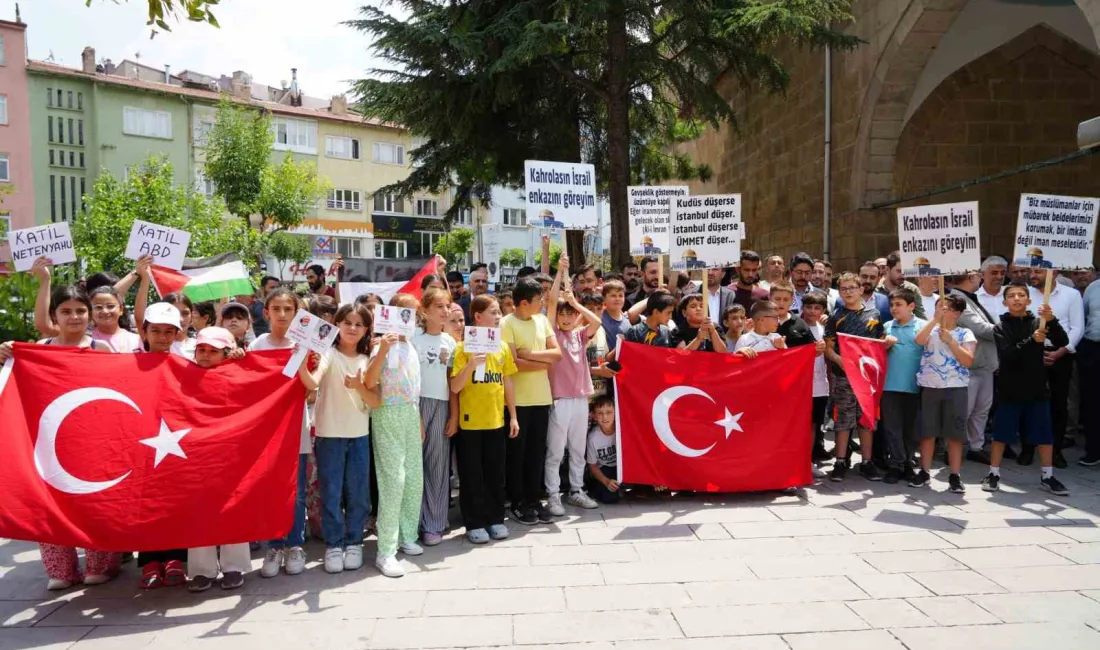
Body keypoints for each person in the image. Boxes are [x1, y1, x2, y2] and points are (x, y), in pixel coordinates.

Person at [0, 285, 120, 592]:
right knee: (49, 499)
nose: (75, 317)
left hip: (93, 440)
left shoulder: (101, 349)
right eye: (66, 311)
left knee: (94, 500)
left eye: (80, 310)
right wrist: (7, 356)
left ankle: (100, 563)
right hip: (51, 440)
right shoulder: (39, 348)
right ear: (54, 315)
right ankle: (60, 568)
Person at [299, 303, 379, 575]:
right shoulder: (328, 353)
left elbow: (375, 400)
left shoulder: (369, 358)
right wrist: (299, 359)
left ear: (367, 329)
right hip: (329, 435)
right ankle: (334, 544)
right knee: (331, 494)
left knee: (358, 494)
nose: (353, 328)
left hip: (359, 435)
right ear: (337, 324)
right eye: (347, 322)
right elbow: (312, 382)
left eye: (359, 324)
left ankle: (354, 540)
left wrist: (358, 386)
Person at [253, 288, 316, 579]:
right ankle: (274, 545)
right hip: (266, 432)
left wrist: (303, 361)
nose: (281, 314)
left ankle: (295, 545)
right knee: (270, 489)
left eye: (287, 309)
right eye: (275, 309)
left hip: (296, 428)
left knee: (297, 491)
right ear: (266, 312)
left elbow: (311, 390)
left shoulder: (304, 346)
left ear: (296, 313)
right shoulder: (256, 346)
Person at [983, 284, 1069, 495]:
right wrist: (1033, 340)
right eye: (1011, 296)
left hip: (1037, 387)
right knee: (1002, 434)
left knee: (1044, 435)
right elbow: (1009, 354)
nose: (1017, 299)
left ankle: (1047, 476)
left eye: (1021, 295)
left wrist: (1052, 320)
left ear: (1029, 301)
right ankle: (993, 473)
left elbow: (1062, 341)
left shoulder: (1038, 322)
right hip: (1009, 389)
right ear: (1005, 302)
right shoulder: (1000, 327)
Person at [450, 295, 520, 544]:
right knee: (471, 476)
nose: (499, 316)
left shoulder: (501, 347)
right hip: (470, 424)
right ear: (477, 317)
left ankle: (495, 519)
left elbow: (508, 381)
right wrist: (470, 365)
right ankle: (474, 522)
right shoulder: (461, 348)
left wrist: (512, 415)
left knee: (494, 474)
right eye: (493, 312)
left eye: (499, 311)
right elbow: (455, 386)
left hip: (495, 421)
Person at [187, 327, 252, 592]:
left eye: (213, 351)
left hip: (230, 453)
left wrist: (242, 362)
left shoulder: (238, 373)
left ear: (226, 353)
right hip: (196, 454)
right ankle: (201, 570)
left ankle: (233, 566)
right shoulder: (182, 375)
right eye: (201, 349)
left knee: (232, 505)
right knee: (197, 509)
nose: (205, 355)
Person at [365, 294, 424, 578]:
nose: (409, 319)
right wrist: (382, 350)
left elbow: (415, 387)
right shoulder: (378, 344)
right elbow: (369, 380)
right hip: (387, 412)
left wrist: (420, 420)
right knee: (393, 481)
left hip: (411, 414)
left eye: (413, 314)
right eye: (404, 313)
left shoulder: (411, 345)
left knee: (413, 477)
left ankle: (407, 535)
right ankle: (385, 551)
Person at [501, 277, 561, 525]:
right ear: (524, 302)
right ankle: (518, 502)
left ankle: (535, 500)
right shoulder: (506, 324)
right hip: (517, 401)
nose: (543, 303)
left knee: (537, 453)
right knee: (517, 455)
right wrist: (540, 360)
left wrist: (529, 355)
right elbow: (512, 364)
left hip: (541, 397)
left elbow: (557, 354)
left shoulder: (542, 320)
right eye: (539, 300)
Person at [545, 259, 602, 514]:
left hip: (581, 399)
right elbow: (550, 304)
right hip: (560, 400)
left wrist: (576, 303)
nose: (566, 318)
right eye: (562, 313)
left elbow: (596, 322)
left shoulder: (580, 334)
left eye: (570, 314)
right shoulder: (552, 334)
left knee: (578, 449)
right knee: (556, 451)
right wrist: (559, 272)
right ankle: (553, 494)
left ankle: (576, 491)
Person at [911, 295, 977, 493]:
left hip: (955, 388)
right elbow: (918, 340)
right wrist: (934, 320)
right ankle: (924, 471)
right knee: (927, 432)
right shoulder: (930, 331)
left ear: (957, 313)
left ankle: (955, 475)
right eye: (938, 307)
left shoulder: (965, 333)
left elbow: (968, 360)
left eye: (946, 308)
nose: (941, 311)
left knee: (954, 434)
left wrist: (950, 341)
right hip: (931, 387)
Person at [825, 272, 885, 482]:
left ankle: (866, 462)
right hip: (843, 378)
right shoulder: (835, 317)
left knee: (867, 419)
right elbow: (828, 349)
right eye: (843, 289)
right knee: (843, 420)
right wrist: (841, 361)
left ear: (861, 290)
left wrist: (888, 343)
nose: (848, 292)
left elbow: (879, 344)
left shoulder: (875, 315)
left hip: (868, 379)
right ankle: (840, 461)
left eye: (852, 288)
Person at [413, 288, 457, 547]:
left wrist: (453, 415)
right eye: (439, 306)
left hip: (441, 405)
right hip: (415, 405)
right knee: (414, 466)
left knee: (438, 467)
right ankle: (413, 521)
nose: (445, 311)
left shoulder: (450, 342)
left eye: (447, 306)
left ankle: (435, 523)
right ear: (424, 310)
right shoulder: (413, 338)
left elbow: (452, 382)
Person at [1028, 268, 1085, 467]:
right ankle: (1028, 448)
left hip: (1061, 356)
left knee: (1059, 404)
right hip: (1032, 355)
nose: (1032, 275)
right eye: (1030, 271)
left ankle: (1055, 450)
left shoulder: (1071, 295)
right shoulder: (1025, 294)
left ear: (1054, 272)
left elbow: (1077, 327)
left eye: (1037, 271)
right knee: (1030, 402)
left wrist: (1062, 351)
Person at [946, 272, 999, 465]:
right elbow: (982, 329)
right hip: (969, 365)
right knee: (963, 410)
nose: (980, 278)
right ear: (970, 277)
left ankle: (976, 446)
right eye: (977, 275)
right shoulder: (957, 300)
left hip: (984, 364)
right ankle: (951, 447)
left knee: (981, 409)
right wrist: (1010, 328)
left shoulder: (969, 299)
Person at [881, 288, 926, 484]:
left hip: (915, 386)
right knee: (892, 428)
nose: (893, 308)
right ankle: (896, 464)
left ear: (912, 306)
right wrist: (883, 346)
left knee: (911, 429)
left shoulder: (923, 327)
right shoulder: (886, 327)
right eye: (891, 305)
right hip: (889, 386)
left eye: (898, 304)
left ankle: (907, 462)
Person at [800, 292, 832, 462]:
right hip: (799, 384)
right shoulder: (796, 326)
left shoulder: (824, 329)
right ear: (802, 308)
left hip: (819, 385)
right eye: (808, 307)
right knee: (800, 424)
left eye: (817, 308)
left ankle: (808, 460)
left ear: (823, 310)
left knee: (814, 423)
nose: (812, 311)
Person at [1078, 277, 1100, 466]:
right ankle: (1093, 450)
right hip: (1094, 349)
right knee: (1093, 402)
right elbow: (1083, 317)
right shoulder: (1093, 288)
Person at [585, 396, 619, 504]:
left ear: (615, 412)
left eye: (609, 412)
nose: (605, 417)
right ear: (594, 416)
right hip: (605, 469)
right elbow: (592, 466)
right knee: (609, 498)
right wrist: (606, 482)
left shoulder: (622, 430)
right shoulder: (593, 438)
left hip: (623, 467)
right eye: (600, 413)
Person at [877, 252, 926, 319]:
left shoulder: (912, 289)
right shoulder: (876, 290)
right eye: (899, 271)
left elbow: (921, 317)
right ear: (887, 269)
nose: (903, 276)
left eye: (905, 271)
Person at [601, 280, 632, 352]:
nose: (617, 299)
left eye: (620, 296)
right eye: (613, 295)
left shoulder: (627, 322)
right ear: (604, 298)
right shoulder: (600, 319)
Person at [977, 256, 1008, 321]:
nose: (999, 277)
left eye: (1002, 273)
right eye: (994, 273)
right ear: (982, 275)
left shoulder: (1011, 294)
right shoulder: (975, 298)